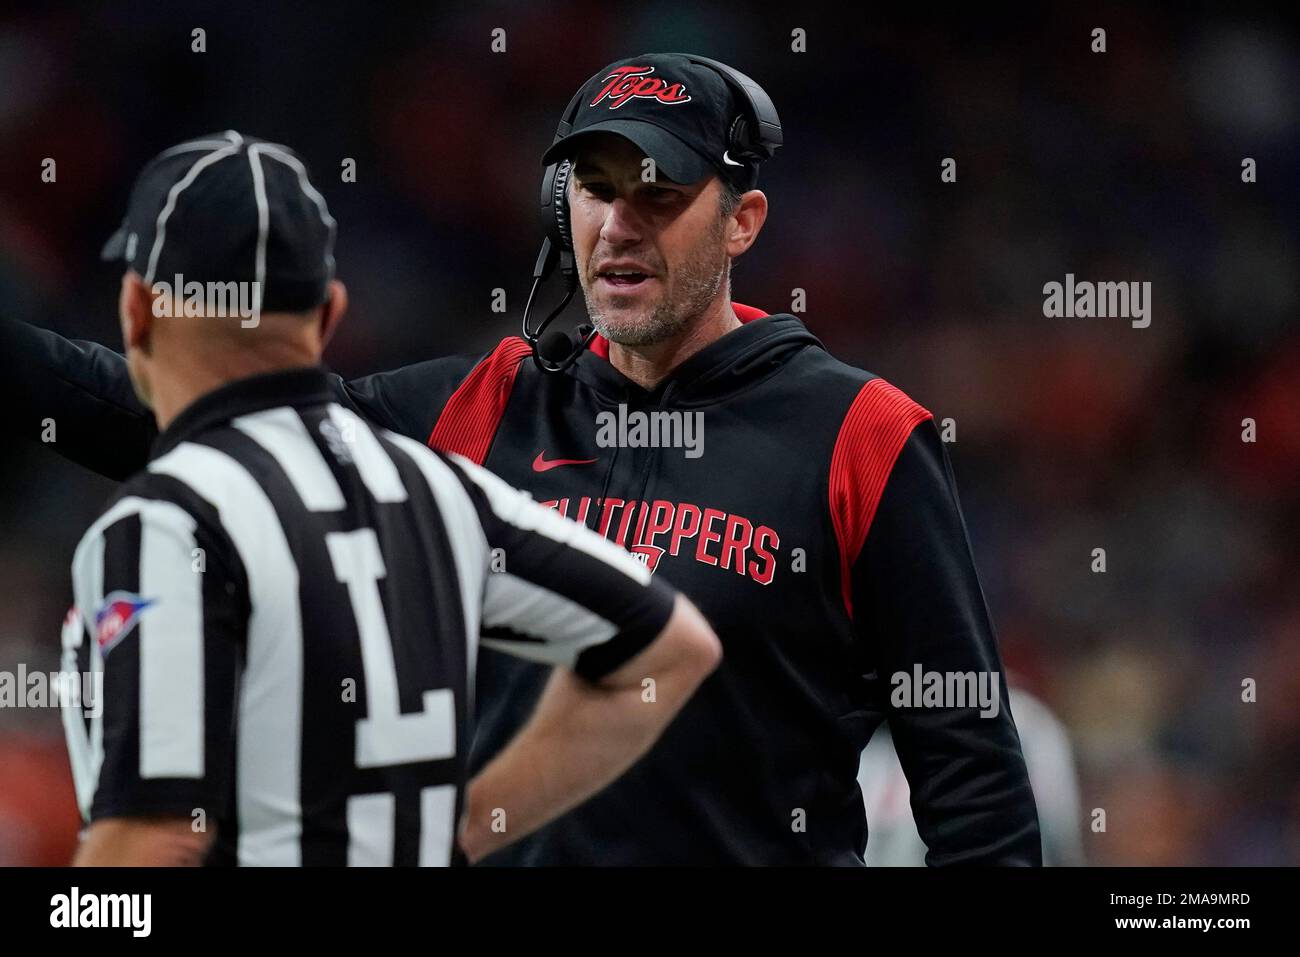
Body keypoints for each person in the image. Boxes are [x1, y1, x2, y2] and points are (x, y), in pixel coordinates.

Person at [5, 54, 1039, 865]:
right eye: (593, 189)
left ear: (742, 222)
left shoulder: (860, 435)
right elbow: (190, 421)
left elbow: (975, 793)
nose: (617, 223)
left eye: (658, 192)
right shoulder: (482, 404)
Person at [56, 131, 720, 866]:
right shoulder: (443, 491)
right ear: (330, 314)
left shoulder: (170, 524)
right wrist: (458, 834)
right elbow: (672, 646)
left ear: (137, 310)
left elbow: (153, 838)